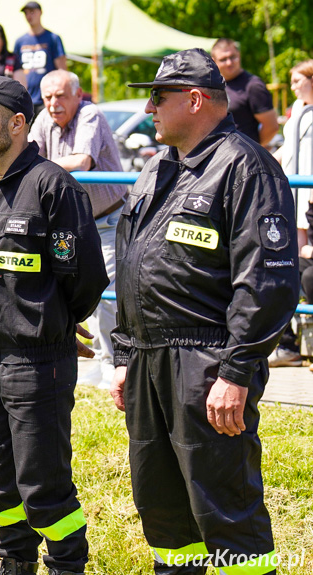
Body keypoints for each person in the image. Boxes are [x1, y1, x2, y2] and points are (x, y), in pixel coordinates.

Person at [112, 48, 299, 575]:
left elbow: (267, 280)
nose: (149, 107)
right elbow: (131, 263)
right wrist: (126, 355)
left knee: (223, 507)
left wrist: (236, 371)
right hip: (150, 359)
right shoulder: (156, 169)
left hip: (207, 362)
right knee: (163, 507)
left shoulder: (245, 166)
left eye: (158, 96)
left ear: (194, 99)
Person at [0, 75, 105, 575]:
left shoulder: (54, 187)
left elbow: (83, 277)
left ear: (17, 124)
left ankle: (65, 563)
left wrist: (55, 322)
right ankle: (15, 557)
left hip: (36, 361)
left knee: (42, 482)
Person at [29, 70, 126, 386]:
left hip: (108, 218)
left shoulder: (90, 114)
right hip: (70, 221)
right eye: (47, 97)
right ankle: (92, 360)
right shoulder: (44, 119)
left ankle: (111, 364)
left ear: (78, 94)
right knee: (65, 289)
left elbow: (82, 161)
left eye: (60, 95)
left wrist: (34, 169)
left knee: (106, 292)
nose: (53, 103)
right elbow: (27, 153)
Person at [272, 60, 313, 368]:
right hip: (294, 196)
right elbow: (287, 147)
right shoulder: (299, 109)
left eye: (299, 80)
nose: (295, 86)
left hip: (309, 197)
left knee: (306, 268)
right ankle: (292, 342)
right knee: (294, 265)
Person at [211, 38, 279, 147]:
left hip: (242, 158)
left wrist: (252, 150)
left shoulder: (253, 85)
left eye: (233, 57)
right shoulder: (212, 84)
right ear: (214, 61)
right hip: (218, 155)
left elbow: (271, 127)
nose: (229, 63)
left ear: (239, 55)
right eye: (223, 59)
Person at [13, 2, 66, 116]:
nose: (29, 16)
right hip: (26, 100)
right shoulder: (20, 42)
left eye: (32, 12)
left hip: (48, 100)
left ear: (40, 13)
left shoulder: (53, 38)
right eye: (26, 13)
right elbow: (16, 71)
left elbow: (62, 72)